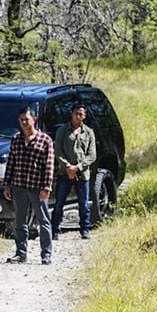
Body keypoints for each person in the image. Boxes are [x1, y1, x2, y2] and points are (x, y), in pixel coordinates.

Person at [2, 107, 55, 264]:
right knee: (20, 221)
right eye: (21, 120)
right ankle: (21, 253)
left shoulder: (45, 140)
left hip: (37, 186)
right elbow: (11, 162)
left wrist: (47, 187)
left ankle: (46, 254)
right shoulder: (16, 139)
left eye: (26, 119)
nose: (24, 122)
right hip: (19, 186)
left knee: (43, 220)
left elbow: (49, 165)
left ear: (34, 119)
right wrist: (7, 184)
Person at [52, 102, 97, 240]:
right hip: (64, 173)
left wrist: (78, 167)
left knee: (83, 204)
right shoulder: (63, 131)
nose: (78, 116)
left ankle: (85, 229)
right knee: (59, 202)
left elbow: (92, 155)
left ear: (84, 116)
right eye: (76, 113)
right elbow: (58, 151)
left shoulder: (89, 132)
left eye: (81, 114)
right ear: (71, 114)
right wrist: (67, 166)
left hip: (82, 174)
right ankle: (55, 229)